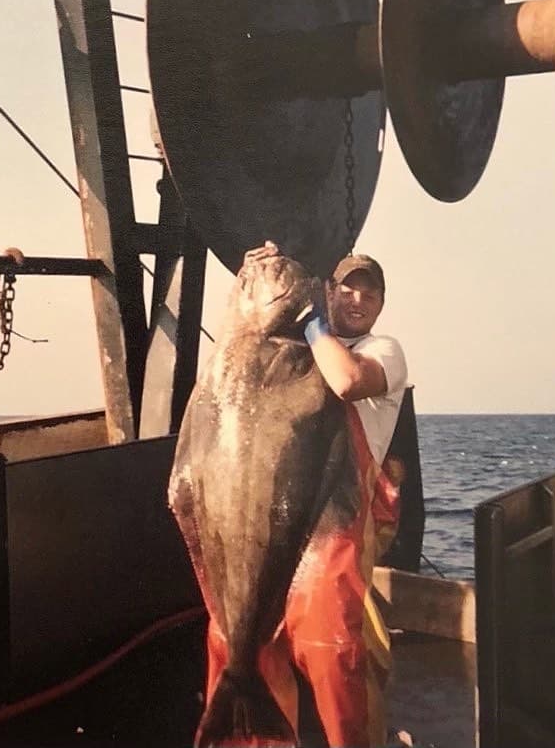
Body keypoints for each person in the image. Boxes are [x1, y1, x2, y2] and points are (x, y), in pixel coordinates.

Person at [206, 241, 409, 747]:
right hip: (273, 513)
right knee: (242, 641)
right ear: (327, 291)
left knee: (332, 648)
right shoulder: (294, 350)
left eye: (370, 293)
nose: (357, 299)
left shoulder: (382, 351)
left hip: (339, 522)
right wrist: (263, 272)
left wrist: (314, 322)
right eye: (347, 288)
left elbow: (344, 380)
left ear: (381, 306)